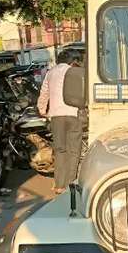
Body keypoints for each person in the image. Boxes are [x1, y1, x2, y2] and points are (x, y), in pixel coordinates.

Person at [38, 49, 83, 194]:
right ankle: (71, 183)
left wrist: (42, 111)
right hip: (74, 114)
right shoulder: (75, 72)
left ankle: (59, 185)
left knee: (60, 150)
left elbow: (44, 93)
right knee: (74, 150)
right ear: (73, 60)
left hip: (56, 116)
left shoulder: (50, 73)